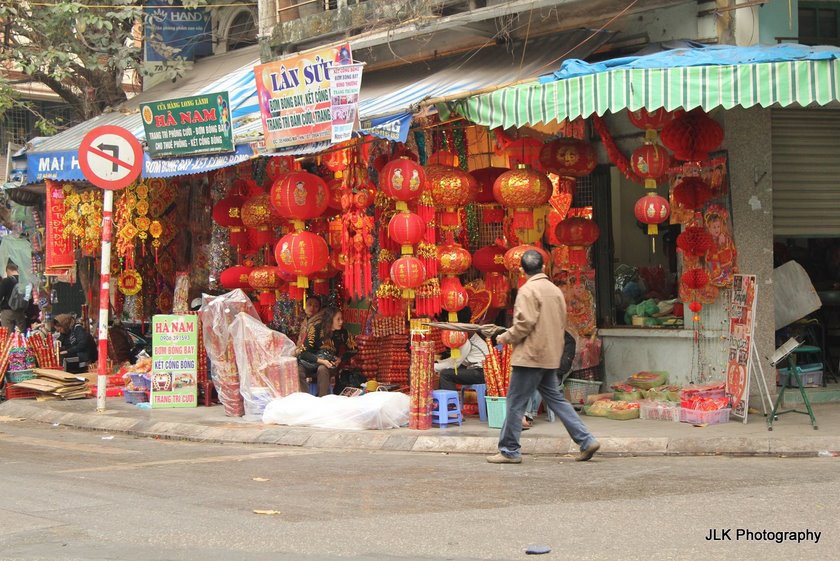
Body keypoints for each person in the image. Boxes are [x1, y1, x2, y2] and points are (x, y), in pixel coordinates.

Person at [487, 250, 600, 464]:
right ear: (543, 267)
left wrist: (505, 337)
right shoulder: (555, 291)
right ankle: (586, 440)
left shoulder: (528, 290)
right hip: (550, 355)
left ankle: (509, 450)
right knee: (556, 400)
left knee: (515, 403)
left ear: (521, 269)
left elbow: (524, 324)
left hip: (530, 356)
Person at [299, 308, 355, 396]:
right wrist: (321, 361)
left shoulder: (343, 333)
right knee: (298, 370)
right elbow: (303, 353)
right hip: (310, 362)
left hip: (328, 364)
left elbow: (354, 349)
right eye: (338, 319)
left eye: (341, 319)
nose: (341, 322)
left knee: (322, 369)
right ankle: (305, 398)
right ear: (330, 319)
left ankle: (322, 398)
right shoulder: (316, 329)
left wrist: (341, 358)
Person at [0, 262, 26, 332]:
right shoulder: (24, 281)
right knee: (21, 334)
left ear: (8, 271)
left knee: (7, 334)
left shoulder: (6, 281)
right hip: (20, 312)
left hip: (8, 312)